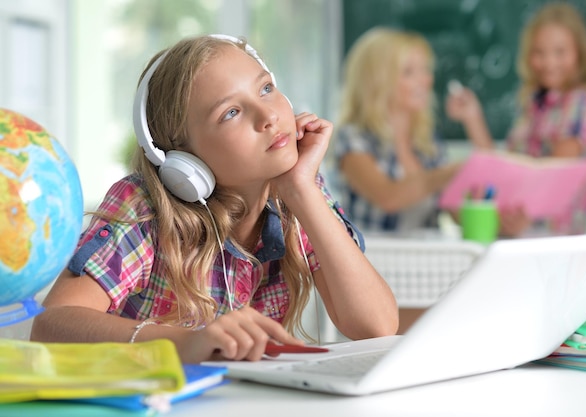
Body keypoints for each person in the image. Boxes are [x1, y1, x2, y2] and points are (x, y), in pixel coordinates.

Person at [30, 34, 399, 363]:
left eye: (266, 89)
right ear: (183, 159)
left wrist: (302, 190)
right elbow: (52, 325)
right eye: (231, 112)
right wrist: (187, 344)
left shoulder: (298, 192)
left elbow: (377, 325)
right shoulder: (144, 207)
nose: (268, 116)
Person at [446, 2, 586, 236]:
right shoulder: (533, 104)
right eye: (539, 53)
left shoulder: (583, 102)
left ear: (579, 54)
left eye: (560, 52)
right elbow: (507, 169)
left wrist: (526, 209)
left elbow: (553, 171)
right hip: (521, 233)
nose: (549, 63)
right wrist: (473, 117)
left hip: (558, 240)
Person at [332, 27, 472, 233]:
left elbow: (453, 210)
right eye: (409, 72)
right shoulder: (353, 138)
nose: (426, 81)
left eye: (425, 70)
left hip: (422, 260)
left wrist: (498, 218)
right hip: (369, 258)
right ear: (377, 81)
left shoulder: (428, 142)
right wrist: (449, 173)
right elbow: (387, 197)